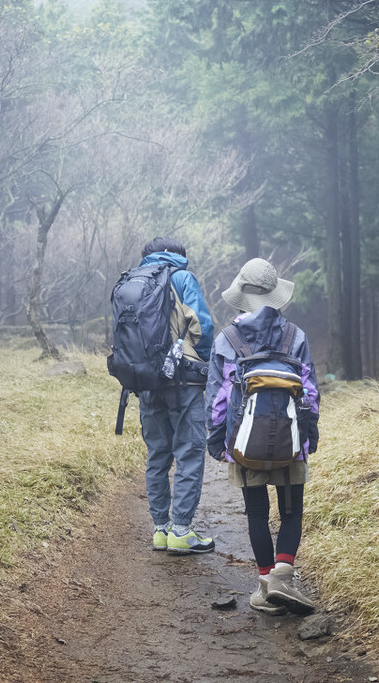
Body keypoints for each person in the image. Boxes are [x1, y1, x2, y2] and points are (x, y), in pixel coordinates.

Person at [206, 257, 320, 614]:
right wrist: (310, 432)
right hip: (291, 439)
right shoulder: (295, 335)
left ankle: (266, 586)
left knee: (256, 512)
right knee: (291, 511)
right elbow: (310, 391)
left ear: (243, 295)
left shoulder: (227, 339)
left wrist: (216, 438)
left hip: (244, 441)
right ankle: (283, 577)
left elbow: (218, 397)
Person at [136, 237, 216, 554]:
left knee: (157, 454)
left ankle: (160, 530)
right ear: (177, 255)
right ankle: (181, 531)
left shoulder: (134, 281)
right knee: (189, 452)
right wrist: (203, 362)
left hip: (146, 381)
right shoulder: (181, 277)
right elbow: (203, 327)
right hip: (183, 381)